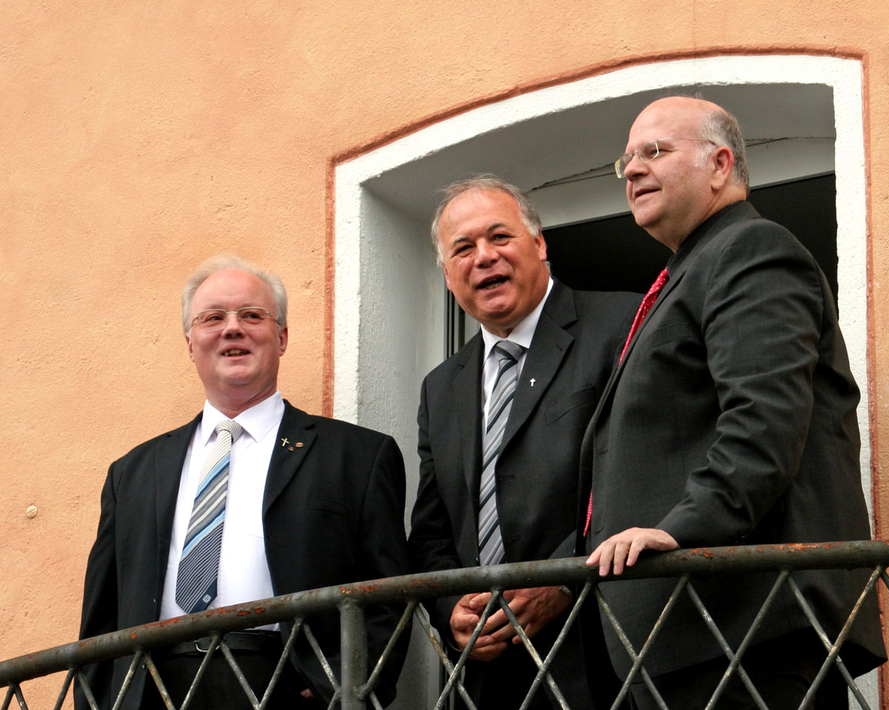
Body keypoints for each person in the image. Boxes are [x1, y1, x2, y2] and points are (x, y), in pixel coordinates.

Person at [582, 97, 886, 709]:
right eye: (627, 160)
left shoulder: (750, 250)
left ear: (720, 165)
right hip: (684, 633)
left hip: (741, 627)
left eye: (655, 152)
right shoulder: (691, 270)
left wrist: (678, 531)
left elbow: (762, 424)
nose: (633, 169)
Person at [77, 254, 408, 710]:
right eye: (213, 318)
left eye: (252, 316)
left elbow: (389, 593)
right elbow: (100, 617)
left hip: (288, 686)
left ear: (282, 337)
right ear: (190, 344)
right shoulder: (131, 472)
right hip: (153, 689)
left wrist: (349, 687)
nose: (233, 328)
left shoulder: (357, 456)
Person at [408, 176, 639, 709]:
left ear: (539, 244)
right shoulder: (441, 386)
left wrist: (561, 583)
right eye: (463, 249)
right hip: (490, 676)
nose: (483, 257)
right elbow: (431, 533)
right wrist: (452, 613)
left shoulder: (622, 324)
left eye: (500, 237)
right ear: (448, 276)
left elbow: (638, 477)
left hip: (603, 654)